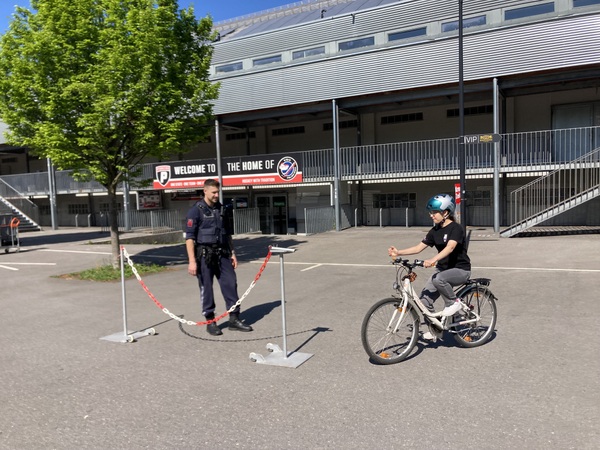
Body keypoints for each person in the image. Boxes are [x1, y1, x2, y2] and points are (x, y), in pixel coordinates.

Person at [388, 193, 471, 340]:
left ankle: (454, 303)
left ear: (446, 212)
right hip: (442, 270)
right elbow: (418, 248)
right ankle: (436, 329)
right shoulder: (435, 231)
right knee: (424, 301)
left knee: (439, 279)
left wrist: (433, 259)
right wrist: (398, 252)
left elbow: (450, 247)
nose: (431, 215)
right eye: (430, 212)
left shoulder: (456, 228)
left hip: (460, 269)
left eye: (434, 212)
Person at [185, 179, 253, 336]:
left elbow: (227, 234)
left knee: (231, 283)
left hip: (222, 254)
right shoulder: (195, 211)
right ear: (205, 191)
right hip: (205, 256)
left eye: (218, 192)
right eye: (214, 192)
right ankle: (210, 321)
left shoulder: (221, 209)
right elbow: (189, 238)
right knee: (207, 288)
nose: (216, 195)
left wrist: (233, 253)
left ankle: (234, 319)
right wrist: (192, 261)